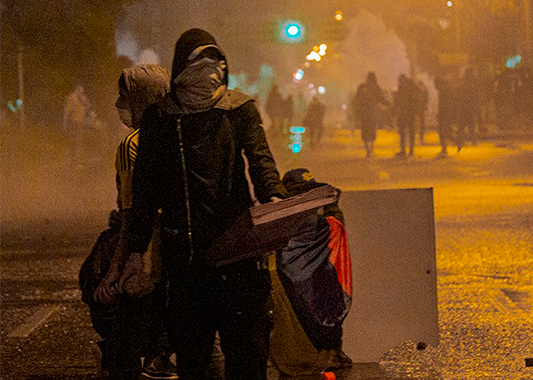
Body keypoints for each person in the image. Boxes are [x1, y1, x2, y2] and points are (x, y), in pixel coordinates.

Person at [114, 28, 287, 380]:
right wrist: (136, 251)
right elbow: (146, 190)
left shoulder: (239, 109)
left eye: (216, 61)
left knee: (248, 361)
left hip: (239, 258)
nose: (209, 70)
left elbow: (261, 162)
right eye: (199, 62)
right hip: (188, 264)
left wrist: (276, 200)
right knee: (193, 363)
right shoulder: (159, 119)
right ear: (180, 68)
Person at [81, 64, 173, 380]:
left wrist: (115, 270)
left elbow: (135, 215)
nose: (118, 105)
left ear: (141, 99)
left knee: (100, 289)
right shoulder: (184, 132)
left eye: (124, 97)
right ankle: (162, 355)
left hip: (149, 249)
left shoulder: (133, 144)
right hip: (186, 248)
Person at [269, 168, 352, 379]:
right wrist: (333, 205)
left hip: (294, 349)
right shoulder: (320, 228)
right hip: (305, 338)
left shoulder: (278, 230)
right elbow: (336, 225)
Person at [354, 72, 388, 158]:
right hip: (372, 112)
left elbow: (357, 100)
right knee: (372, 130)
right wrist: (387, 104)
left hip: (363, 113)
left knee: (364, 130)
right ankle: (371, 147)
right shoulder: (376, 87)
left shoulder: (362, 87)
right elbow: (381, 98)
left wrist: (357, 112)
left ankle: (367, 149)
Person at [393, 74, 419, 157]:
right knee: (405, 133)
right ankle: (407, 150)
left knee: (406, 133)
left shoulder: (408, 89)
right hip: (406, 113)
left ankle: (408, 150)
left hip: (407, 113)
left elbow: (398, 101)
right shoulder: (411, 88)